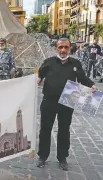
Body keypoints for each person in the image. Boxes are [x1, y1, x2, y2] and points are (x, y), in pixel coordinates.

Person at [37, 38, 97, 171]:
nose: (63, 50)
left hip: (67, 102)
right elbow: (39, 76)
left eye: (66, 47)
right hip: (49, 101)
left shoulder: (75, 63)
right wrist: (35, 80)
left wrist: (92, 85)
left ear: (70, 48)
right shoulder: (49, 62)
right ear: (56, 49)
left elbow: (82, 78)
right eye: (60, 47)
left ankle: (62, 157)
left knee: (64, 130)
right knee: (45, 129)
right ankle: (42, 156)